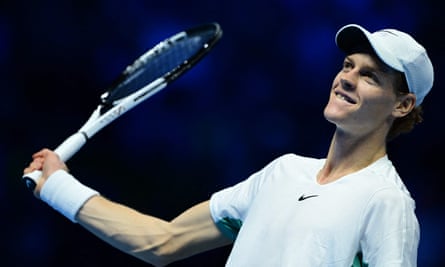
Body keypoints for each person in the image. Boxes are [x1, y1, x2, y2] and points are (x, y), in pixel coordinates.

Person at [24, 23, 434, 267]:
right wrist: (59, 187)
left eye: (370, 76)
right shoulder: (282, 172)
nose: (346, 78)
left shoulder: (386, 202)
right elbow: (162, 241)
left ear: (402, 105)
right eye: (348, 66)